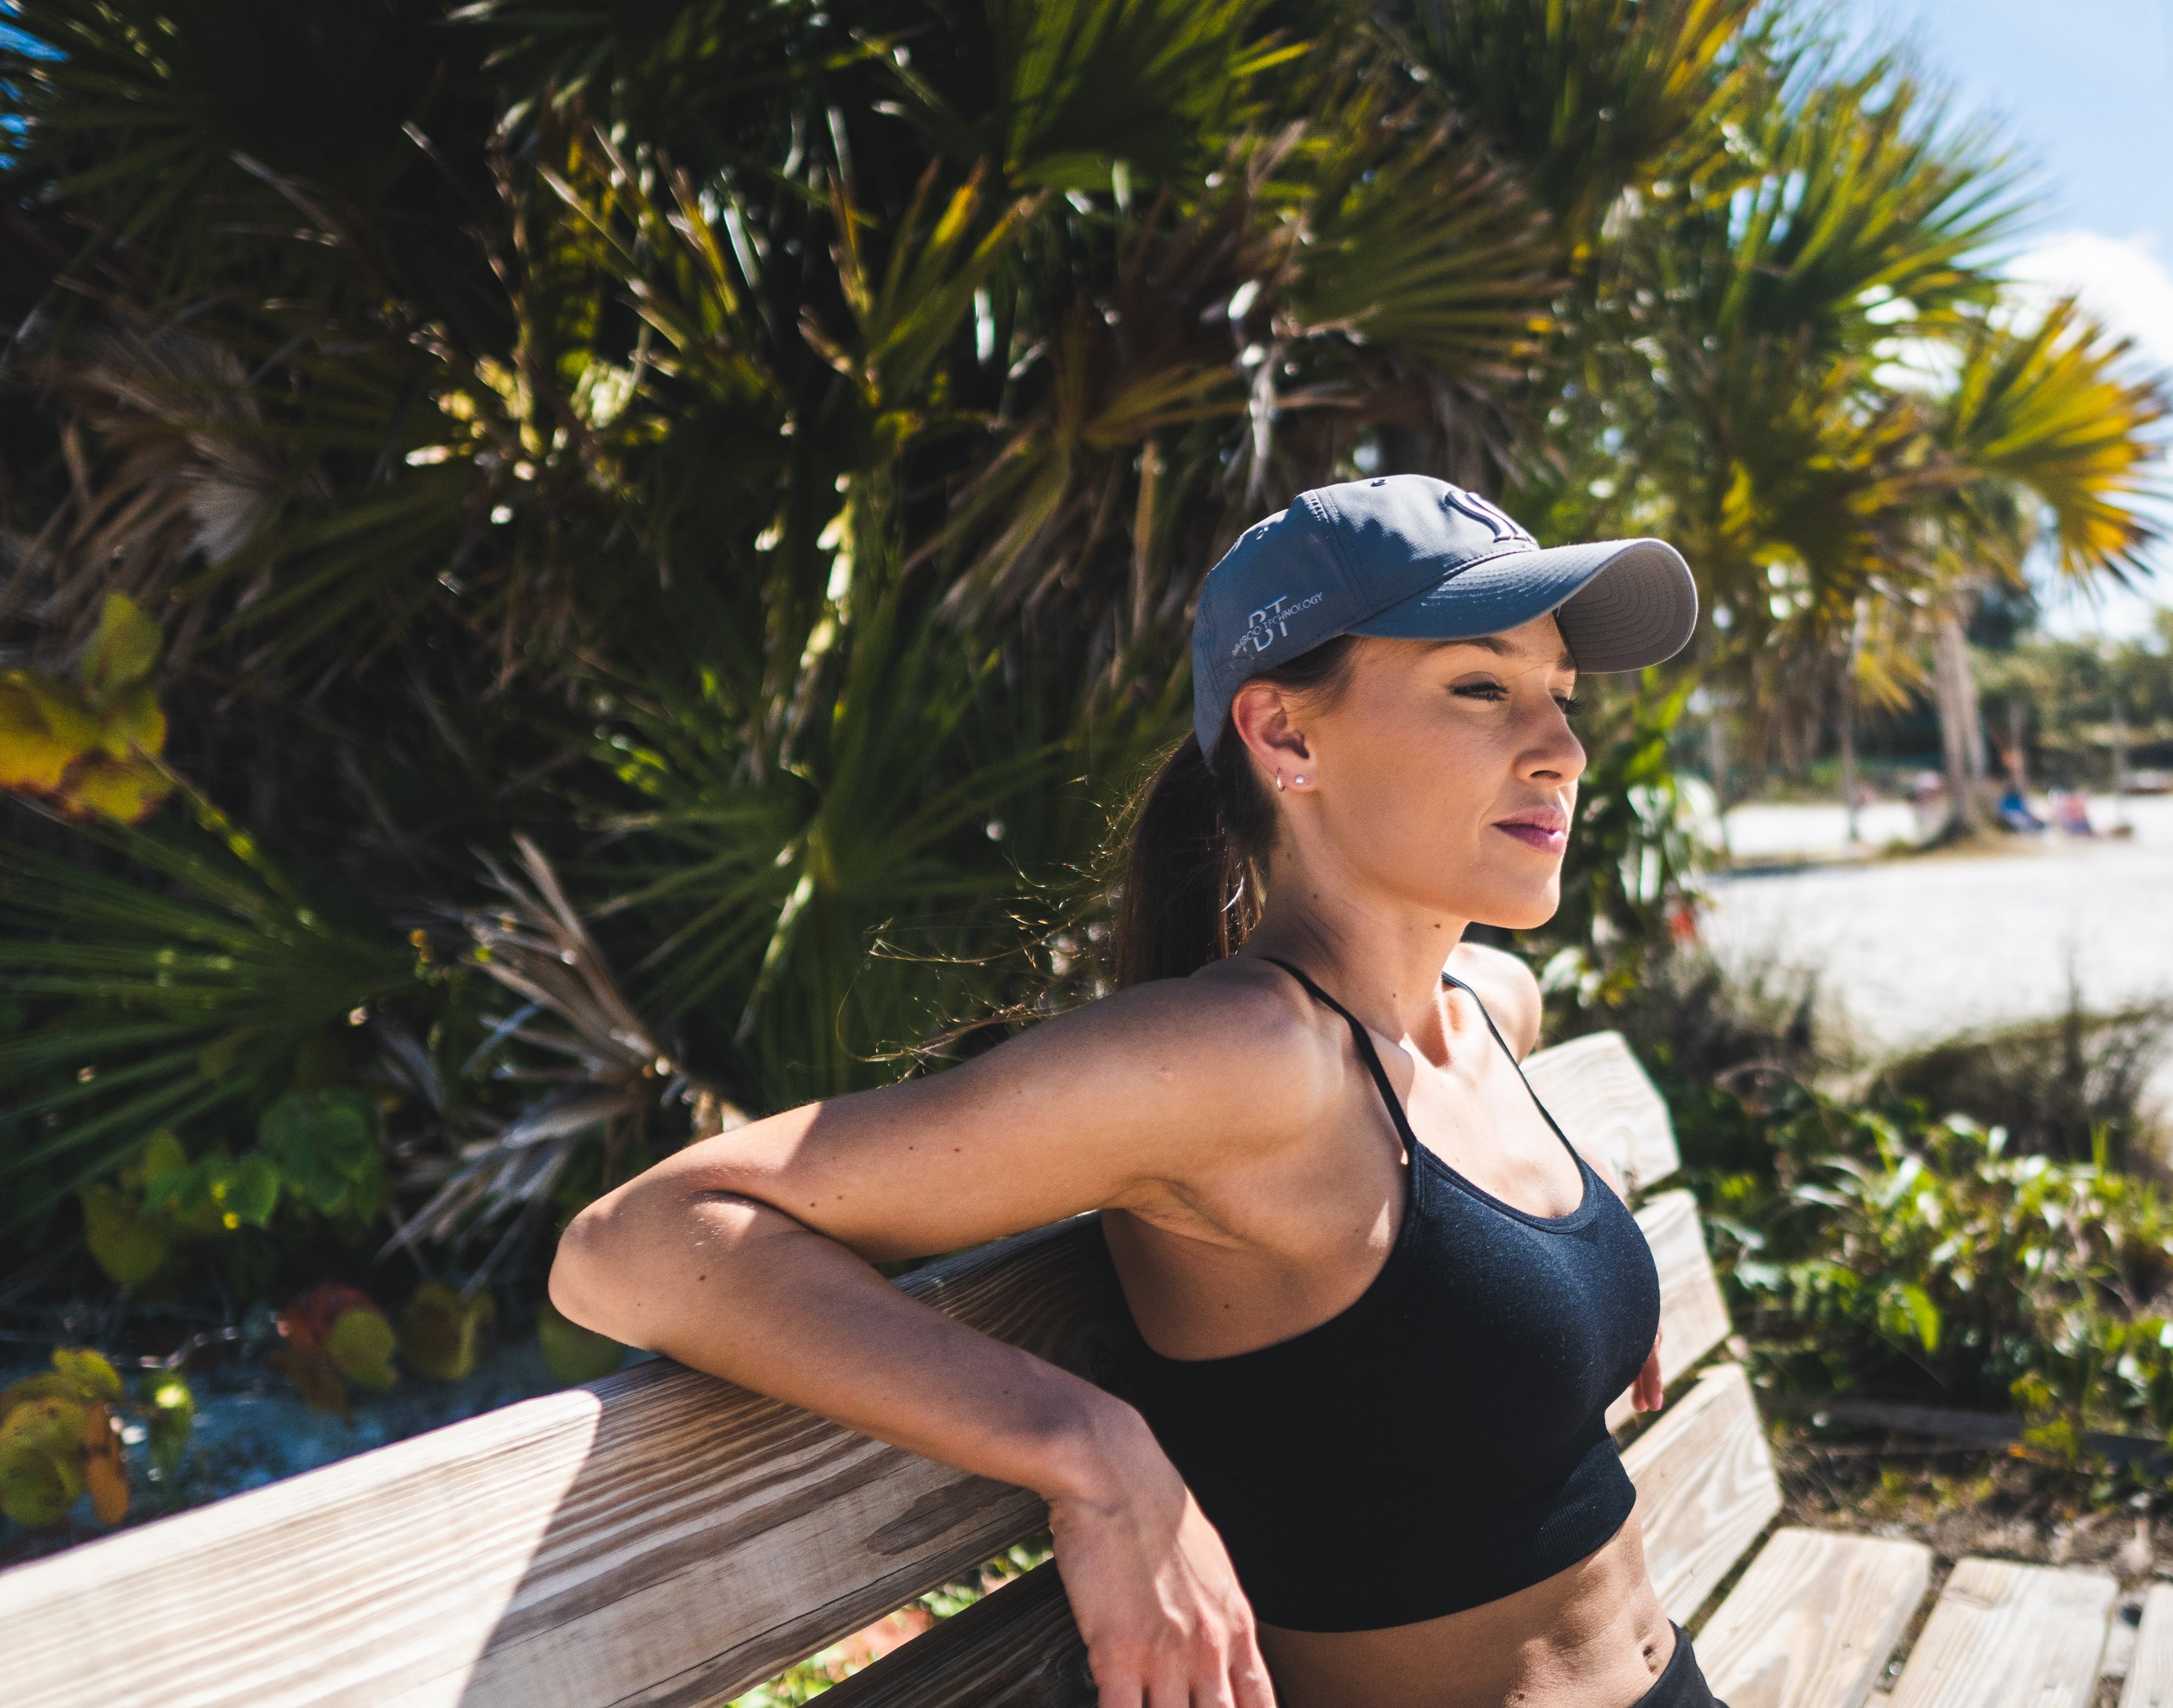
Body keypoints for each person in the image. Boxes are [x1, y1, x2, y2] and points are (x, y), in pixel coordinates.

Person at [547, 475, 1715, 1708]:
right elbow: (630, 1243)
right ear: (1285, 736)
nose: (1564, 749)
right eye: (1482, 687)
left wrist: (1567, 1290)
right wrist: (1087, 1448)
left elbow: (1424, 1257)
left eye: (1562, 696)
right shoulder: (1237, 1063)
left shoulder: (1486, 1002)